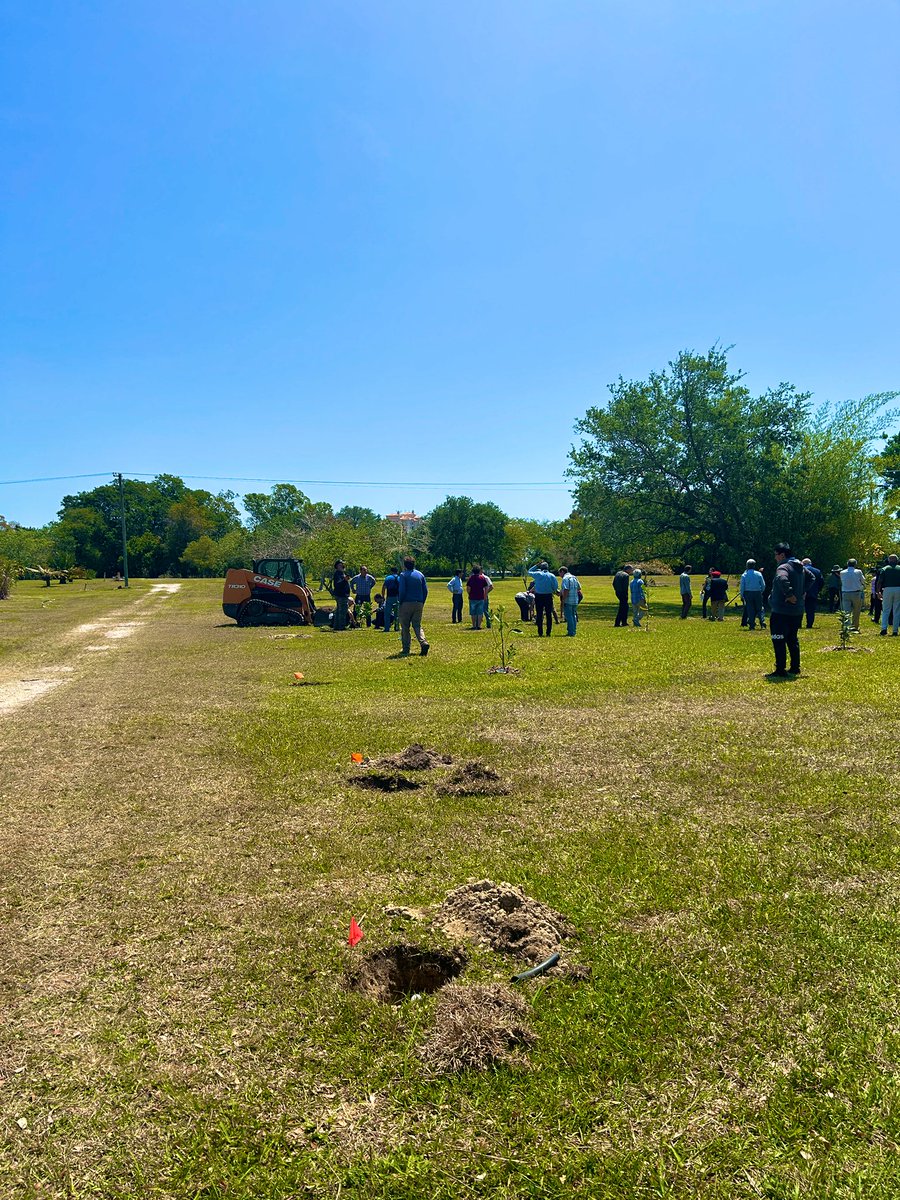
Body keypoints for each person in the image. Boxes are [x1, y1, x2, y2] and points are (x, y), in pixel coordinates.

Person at [767, 542, 804, 677]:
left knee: (778, 638)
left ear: (782, 555)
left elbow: (782, 578)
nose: (775, 558)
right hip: (797, 611)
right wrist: (801, 593)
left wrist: (789, 594)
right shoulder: (800, 567)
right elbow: (812, 577)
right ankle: (795, 667)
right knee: (792, 639)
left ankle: (780, 669)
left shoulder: (783, 567)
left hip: (781, 611)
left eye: (776, 555)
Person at [397, 556, 429, 656]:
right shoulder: (420, 575)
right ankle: (423, 642)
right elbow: (425, 591)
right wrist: (421, 602)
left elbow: (402, 590)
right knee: (417, 625)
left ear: (405, 565)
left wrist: (400, 601)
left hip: (406, 603)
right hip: (418, 603)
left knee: (405, 626)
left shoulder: (403, 575)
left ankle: (406, 648)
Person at [527, 561, 559, 637]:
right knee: (548, 614)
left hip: (539, 596)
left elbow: (529, 571)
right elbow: (555, 587)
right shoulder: (552, 575)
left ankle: (540, 632)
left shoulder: (538, 574)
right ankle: (548, 632)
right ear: (548, 568)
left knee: (539, 614)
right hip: (548, 596)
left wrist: (536, 565)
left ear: (540, 568)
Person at [840, 558, 866, 632]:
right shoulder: (858, 572)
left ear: (847, 564)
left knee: (846, 611)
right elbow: (863, 581)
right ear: (855, 564)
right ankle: (854, 626)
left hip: (845, 593)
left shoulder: (842, 572)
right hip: (856, 593)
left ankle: (847, 626)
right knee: (856, 611)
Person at [740, 559, 766, 630]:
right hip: (758, 592)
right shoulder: (758, 574)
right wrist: (761, 591)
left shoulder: (744, 575)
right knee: (760, 608)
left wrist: (741, 595)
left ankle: (752, 625)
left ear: (747, 566)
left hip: (748, 593)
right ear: (754, 565)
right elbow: (763, 585)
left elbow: (742, 586)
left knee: (750, 609)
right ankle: (762, 623)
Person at [878, 553, 900, 636]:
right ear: (897, 560)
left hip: (887, 589)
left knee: (886, 609)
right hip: (898, 589)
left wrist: (878, 591)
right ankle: (895, 630)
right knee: (897, 610)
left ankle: (884, 628)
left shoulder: (884, 569)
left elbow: (880, 581)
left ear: (888, 560)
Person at [466, 564, 491, 630]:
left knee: (473, 612)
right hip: (481, 597)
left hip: (472, 597)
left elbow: (468, 588)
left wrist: (469, 593)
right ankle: (479, 626)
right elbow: (486, 587)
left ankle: (474, 625)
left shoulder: (471, 578)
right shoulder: (482, 578)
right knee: (480, 612)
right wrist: (485, 595)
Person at [800, 558, 823, 628]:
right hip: (813, 593)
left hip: (801, 593)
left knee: (799, 609)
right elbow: (822, 582)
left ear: (803, 563)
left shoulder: (800, 570)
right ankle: (809, 624)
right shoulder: (817, 571)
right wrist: (817, 590)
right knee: (810, 610)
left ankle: (798, 624)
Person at [560, 568, 581, 636]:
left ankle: (571, 632)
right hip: (575, 600)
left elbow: (566, 589)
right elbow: (579, 587)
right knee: (573, 615)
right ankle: (573, 631)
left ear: (562, 571)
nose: (560, 575)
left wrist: (563, 600)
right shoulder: (574, 577)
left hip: (568, 600)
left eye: (560, 573)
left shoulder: (565, 578)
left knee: (569, 616)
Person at [332, 559, 351, 631]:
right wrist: (345, 580)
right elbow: (337, 584)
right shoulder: (338, 574)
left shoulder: (341, 573)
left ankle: (336, 626)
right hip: (341, 595)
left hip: (342, 595)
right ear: (337, 566)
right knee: (342, 611)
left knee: (338, 611)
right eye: (340, 565)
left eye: (342, 565)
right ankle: (341, 626)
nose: (342, 566)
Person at [382, 565, 400, 633]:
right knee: (397, 614)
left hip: (389, 597)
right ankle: (396, 627)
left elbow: (384, 587)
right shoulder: (399, 578)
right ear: (397, 571)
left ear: (391, 571)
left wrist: (383, 596)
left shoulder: (388, 578)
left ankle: (387, 628)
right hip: (397, 597)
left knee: (387, 613)